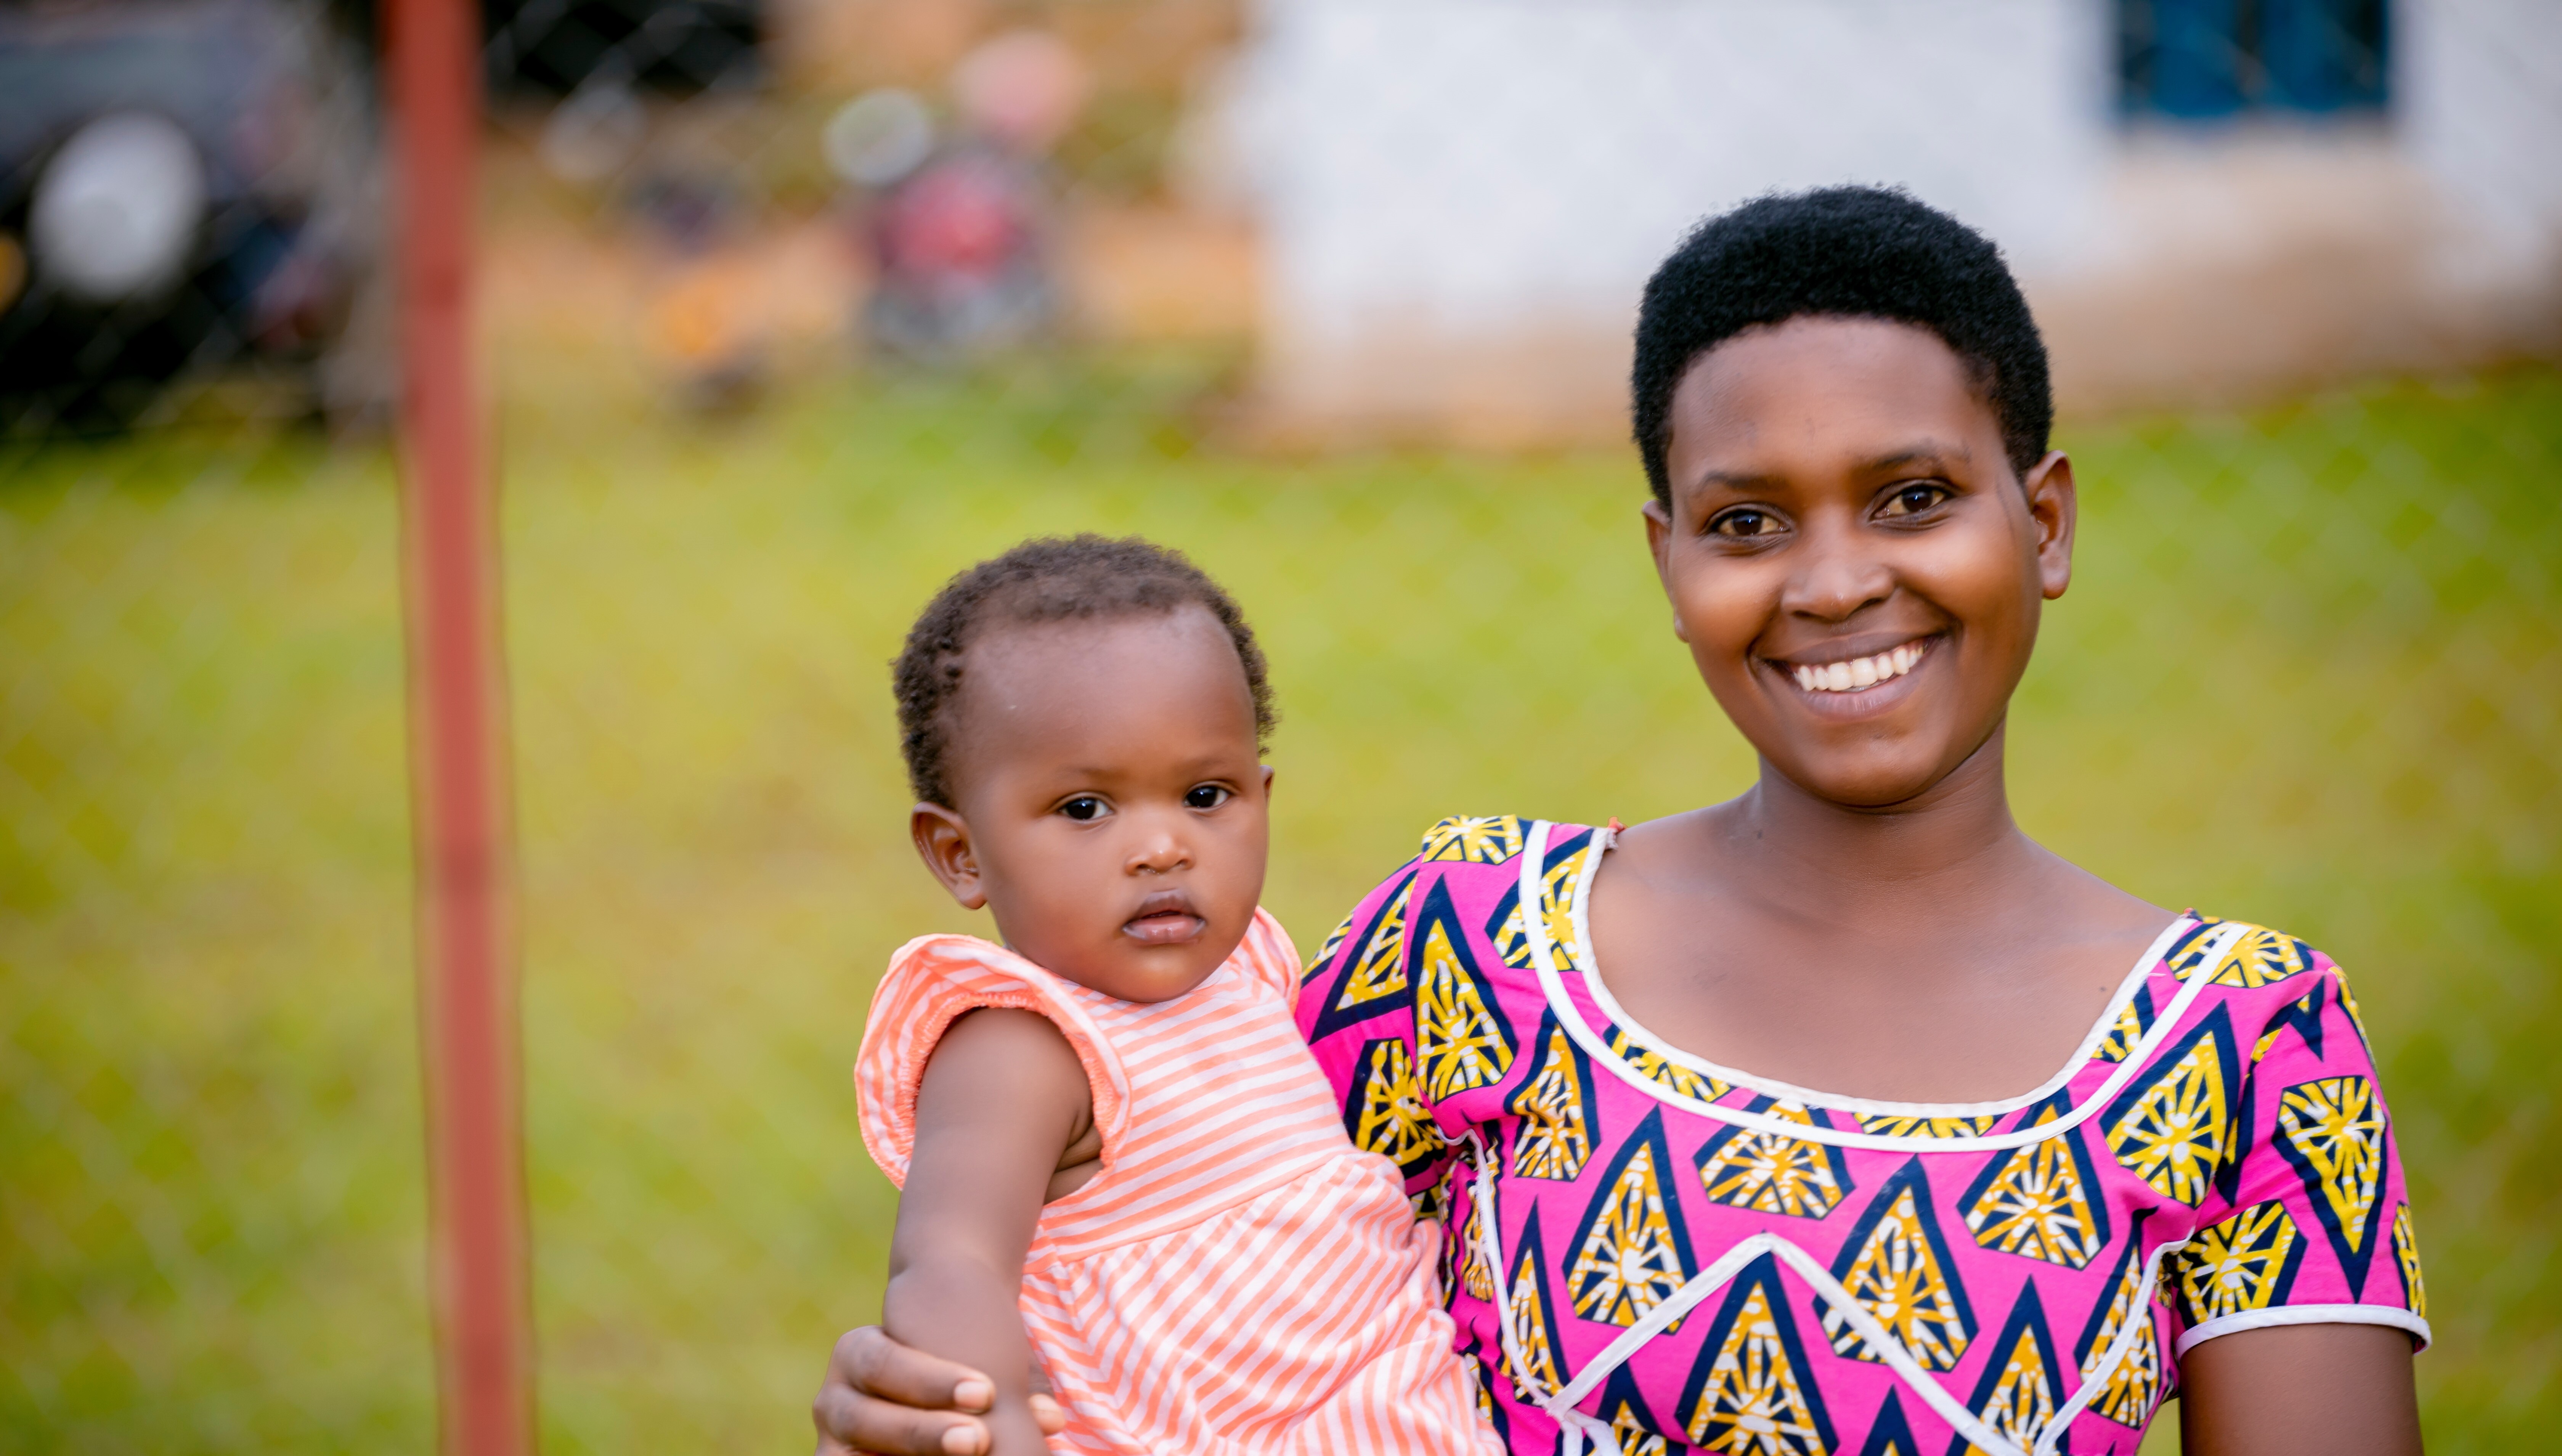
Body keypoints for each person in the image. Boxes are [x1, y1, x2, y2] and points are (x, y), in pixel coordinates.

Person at [815, 189, 2428, 1456]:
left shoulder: (2245, 1047)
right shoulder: (1474, 945)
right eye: (1746, 521)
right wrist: (927, 1399)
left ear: (2047, 520)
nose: (1836, 578)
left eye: (1915, 495)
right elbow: (1165, 1251)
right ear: (1669, 566)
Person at [854, 536, 1503, 1456]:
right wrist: (991, 1416)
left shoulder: (1252, 975)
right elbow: (949, 1261)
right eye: (1085, 809)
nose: (1164, 847)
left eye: (1206, 795)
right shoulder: (1026, 1045)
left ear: (1262, 795)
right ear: (961, 854)